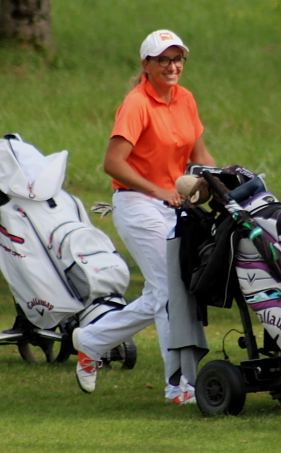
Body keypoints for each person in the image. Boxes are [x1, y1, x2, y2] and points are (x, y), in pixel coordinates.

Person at [72, 29, 215, 404]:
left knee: (160, 294)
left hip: (174, 206)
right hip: (137, 204)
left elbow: (200, 155)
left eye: (177, 59)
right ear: (146, 65)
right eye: (163, 60)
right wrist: (157, 190)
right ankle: (178, 387)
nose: (172, 66)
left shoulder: (185, 99)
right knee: (170, 292)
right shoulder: (136, 103)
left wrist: (220, 182)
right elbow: (113, 163)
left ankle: (91, 341)